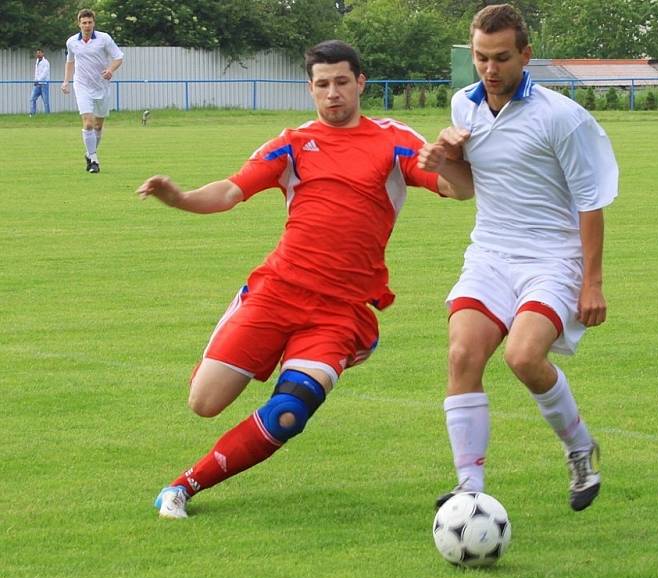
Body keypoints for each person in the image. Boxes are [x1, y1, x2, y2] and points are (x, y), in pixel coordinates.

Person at [137, 40, 473, 519]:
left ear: (360, 82)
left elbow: (457, 190)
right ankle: (253, 344)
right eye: (322, 85)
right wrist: (180, 198)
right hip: (277, 292)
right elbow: (231, 191)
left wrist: (452, 162)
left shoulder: (394, 140)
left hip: (339, 313)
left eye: (341, 82)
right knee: (204, 402)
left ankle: (182, 487)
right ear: (310, 88)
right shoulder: (292, 143)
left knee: (288, 413)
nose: (333, 93)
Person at [419, 3, 618, 512]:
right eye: (482, 58)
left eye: (502, 58)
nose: (490, 69)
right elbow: (462, 189)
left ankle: (579, 450)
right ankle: (470, 490)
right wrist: (445, 160)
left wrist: (591, 283)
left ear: (526, 55)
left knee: (524, 357)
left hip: (552, 257)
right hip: (489, 251)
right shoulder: (463, 106)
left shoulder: (561, 117)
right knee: (463, 354)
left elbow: (590, 201)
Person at [61, 8, 123, 174]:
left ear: (94, 23)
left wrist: (110, 70)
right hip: (82, 85)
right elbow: (70, 62)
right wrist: (66, 81)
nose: (87, 25)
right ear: (79, 24)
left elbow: (119, 57)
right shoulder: (72, 42)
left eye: (89, 22)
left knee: (98, 125)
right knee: (88, 122)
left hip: (101, 86)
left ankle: (89, 153)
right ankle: (94, 160)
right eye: (84, 23)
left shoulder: (104, 39)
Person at [29, 49, 50, 116]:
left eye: (40, 53)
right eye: (37, 53)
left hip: (44, 84)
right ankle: (32, 114)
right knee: (32, 98)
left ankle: (47, 115)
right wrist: (35, 80)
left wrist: (38, 80)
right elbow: (36, 73)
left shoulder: (46, 62)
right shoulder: (37, 61)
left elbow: (45, 73)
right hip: (37, 84)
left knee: (45, 101)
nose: (38, 54)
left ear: (43, 53)